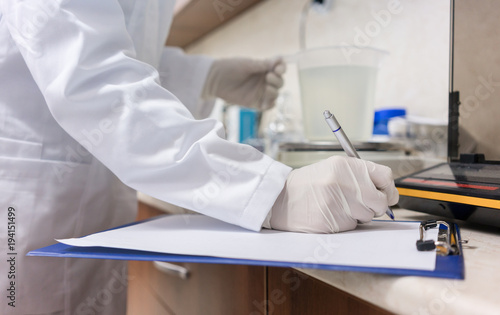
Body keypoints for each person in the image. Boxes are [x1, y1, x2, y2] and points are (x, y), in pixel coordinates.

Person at [0, 0, 399, 314]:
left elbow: (115, 49)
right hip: (27, 203)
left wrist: (205, 75)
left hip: (89, 189)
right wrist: (273, 193)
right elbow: (90, 77)